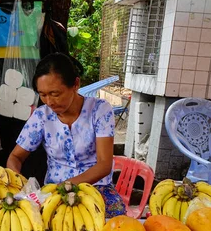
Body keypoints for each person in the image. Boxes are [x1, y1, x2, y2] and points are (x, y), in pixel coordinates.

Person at [7, 53, 125, 218]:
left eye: (55, 94)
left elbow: (104, 164)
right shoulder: (41, 116)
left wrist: (65, 186)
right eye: (43, 94)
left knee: (114, 230)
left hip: (96, 188)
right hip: (53, 194)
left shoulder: (99, 110)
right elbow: (15, 157)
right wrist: (22, 187)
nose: (49, 101)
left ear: (75, 84)